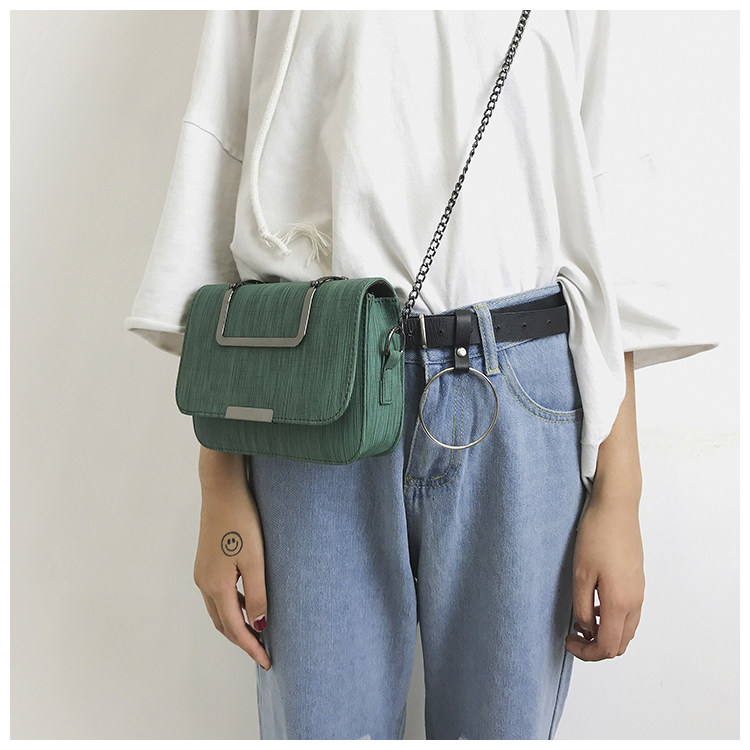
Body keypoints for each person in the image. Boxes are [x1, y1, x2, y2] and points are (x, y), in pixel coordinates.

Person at [124, 10, 718, 740]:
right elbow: (219, 179)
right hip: (314, 400)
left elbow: (611, 223)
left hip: (520, 390)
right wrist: (218, 484)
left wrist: (620, 497)